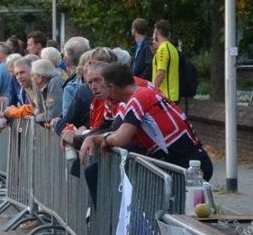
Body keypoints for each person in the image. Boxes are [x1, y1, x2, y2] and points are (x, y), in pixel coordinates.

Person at [80, 62, 212, 179]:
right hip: (185, 162)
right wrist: (96, 138)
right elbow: (119, 132)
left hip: (189, 165)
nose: (108, 98)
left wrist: (101, 140)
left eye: (106, 88)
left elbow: (121, 137)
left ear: (113, 87)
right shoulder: (144, 93)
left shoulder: (138, 99)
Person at [151, 19, 180, 102]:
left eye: (154, 32)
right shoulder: (173, 48)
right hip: (173, 95)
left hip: (164, 97)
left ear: (157, 32)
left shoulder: (163, 49)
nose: (153, 36)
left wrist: (152, 93)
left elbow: (160, 74)